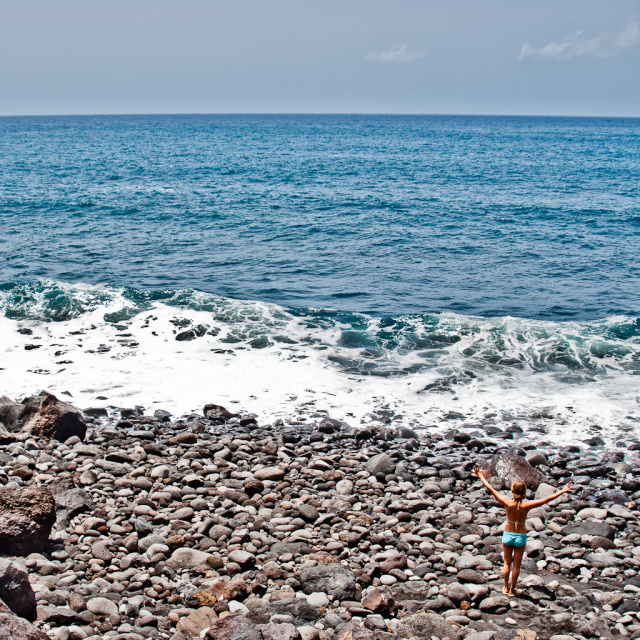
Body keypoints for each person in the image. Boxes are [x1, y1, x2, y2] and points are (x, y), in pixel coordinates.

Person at [473, 465, 573, 596]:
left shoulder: (507, 502)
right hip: (520, 535)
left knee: (506, 564)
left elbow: (491, 489)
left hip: (508, 534)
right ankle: (512, 590)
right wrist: (562, 490)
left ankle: (505, 587)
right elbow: (547, 499)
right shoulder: (527, 505)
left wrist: (481, 476)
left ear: (513, 490)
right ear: (524, 491)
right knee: (517, 566)